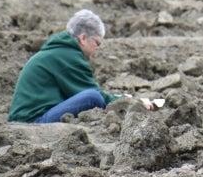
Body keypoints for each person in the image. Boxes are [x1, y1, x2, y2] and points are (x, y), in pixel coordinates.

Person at [8, 9, 149, 123]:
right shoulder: (68, 56)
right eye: (97, 43)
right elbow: (91, 92)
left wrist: (120, 97)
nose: (97, 49)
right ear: (82, 38)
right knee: (92, 97)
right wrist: (126, 101)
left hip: (31, 115)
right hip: (32, 121)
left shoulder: (60, 51)